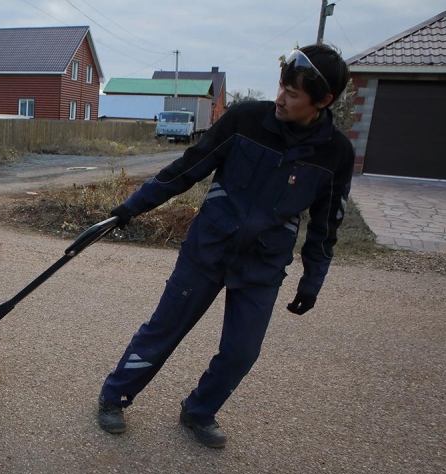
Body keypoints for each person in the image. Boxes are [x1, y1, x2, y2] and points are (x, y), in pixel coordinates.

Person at [97, 44, 354, 449]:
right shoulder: (246, 119)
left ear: (323, 101)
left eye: (292, 93)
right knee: (163, 331)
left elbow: (326, 224)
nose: (280, 98)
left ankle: (199, 410)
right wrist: (130, 208)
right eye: (281, 86)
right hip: (208, 248)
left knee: (241, 352)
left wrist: (313, 280)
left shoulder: (336, 153)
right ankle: (115, 396)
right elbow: (187, 168)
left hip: (263, 264)